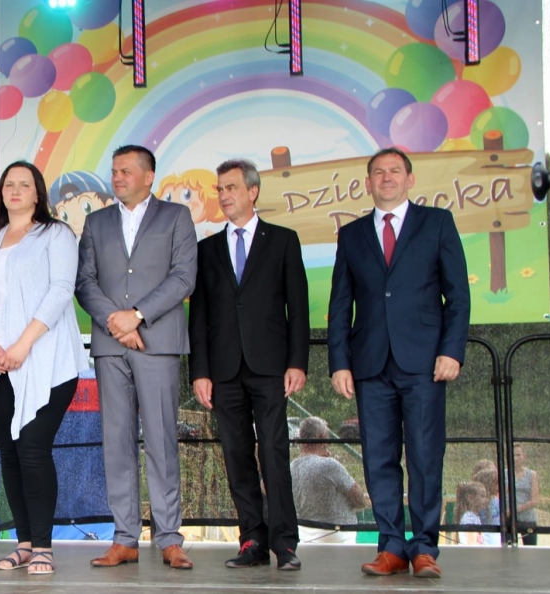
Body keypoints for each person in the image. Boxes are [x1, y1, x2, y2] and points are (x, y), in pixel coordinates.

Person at [328, 147, 470, 579]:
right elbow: (340, 305)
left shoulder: (437, 223)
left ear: (410, 179)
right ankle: (390, 546)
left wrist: (452, 350)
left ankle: (424, 547)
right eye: (378, 172)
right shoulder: (352, 235)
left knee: (425, 456)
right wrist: (339, 363)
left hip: (425, 363)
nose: (386, 177)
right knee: (378, 459)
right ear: (368, 182)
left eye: (394, 171)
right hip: (370, 365)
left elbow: (457, 295)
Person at [76, 144, 198, 570]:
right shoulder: (96, 222)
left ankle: (169, 538)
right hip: (112, 344)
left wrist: (138, 316)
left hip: (157, 342)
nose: (117, 178)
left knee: (161, 440)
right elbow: (84, 282)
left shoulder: (176, 217)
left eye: (126, 171)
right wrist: (117, 322)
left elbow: (184, 277)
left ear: (149, 177)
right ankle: (124, 538)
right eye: (114, 171)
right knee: (116, 442)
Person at [0, 161, 89, 575]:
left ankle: (43, 548)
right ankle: (23, 543)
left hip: (46, 360)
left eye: (25, 184)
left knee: (33, 448)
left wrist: (23, 345)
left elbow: (61, 290)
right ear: (1, 193)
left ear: (38, 193)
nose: (15, 190)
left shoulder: (56, 234)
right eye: (9, 184)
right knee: (10, 453)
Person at [188, 159, 308, 570]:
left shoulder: (283, 241)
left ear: (253, 191)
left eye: (231, 188)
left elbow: (299, 307)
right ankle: (252, 539)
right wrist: (200, 372)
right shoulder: (206, 250)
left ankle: (285, 543)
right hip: (223, 371)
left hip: (271, 366)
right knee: (236, 454)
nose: (223, 195)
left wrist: (297, 362)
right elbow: (199, 316)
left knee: (273, 451)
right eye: (220, 189)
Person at [289, 417, 367, 545]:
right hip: (338, 536)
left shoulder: (291, 468)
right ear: (323, 438)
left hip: (304, 536)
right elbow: (359, 499)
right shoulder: (330, 466)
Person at [513, 443, 540, 546]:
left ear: (524, 456)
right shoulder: (504, 474)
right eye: (513, 455)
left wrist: (515, 510)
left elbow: (535, 500)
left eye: (518, 455)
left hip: (528, 519)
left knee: (530, 550)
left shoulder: (532, 475)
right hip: (510, 520)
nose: (515, 458)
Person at [472, 468, 502, 546]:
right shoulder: (480, 504)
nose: (499, 487)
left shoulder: (496, 501)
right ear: (488, 484)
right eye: (496, 484)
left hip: (497, 539)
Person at [454, 481, 487, 546]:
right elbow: (472, 545)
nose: (486, 500)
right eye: (482, 496)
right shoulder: (470, 518)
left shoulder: (475, 517)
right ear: (470, 497)